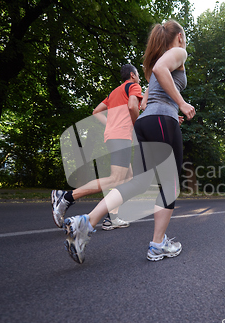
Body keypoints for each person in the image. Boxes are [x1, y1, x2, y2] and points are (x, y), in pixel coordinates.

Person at [63, 19, 195, 264]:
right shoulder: (178, 52)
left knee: (140, 183)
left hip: (147, 122)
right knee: (170, 186)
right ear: (178, 36)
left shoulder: (157, 59)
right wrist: (181, 103)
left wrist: (167, 110)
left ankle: (86, 222)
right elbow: (159, 73)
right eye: (184, 36)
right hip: (159, 122)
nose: (184, 42)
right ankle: (157, 245)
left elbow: (147, 102)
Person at [52, 64, 143, 231]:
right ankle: (66, 197)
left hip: (112, 136)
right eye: (138, 74)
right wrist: (134, 123)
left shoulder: (115, 92)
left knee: (128, 178)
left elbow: (96, 111)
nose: (139, 78)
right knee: (116, 179)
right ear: (132, 75)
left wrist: (111, 124)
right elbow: (132, 107)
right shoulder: (134, 86)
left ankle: (112, 218)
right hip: (121, 137)